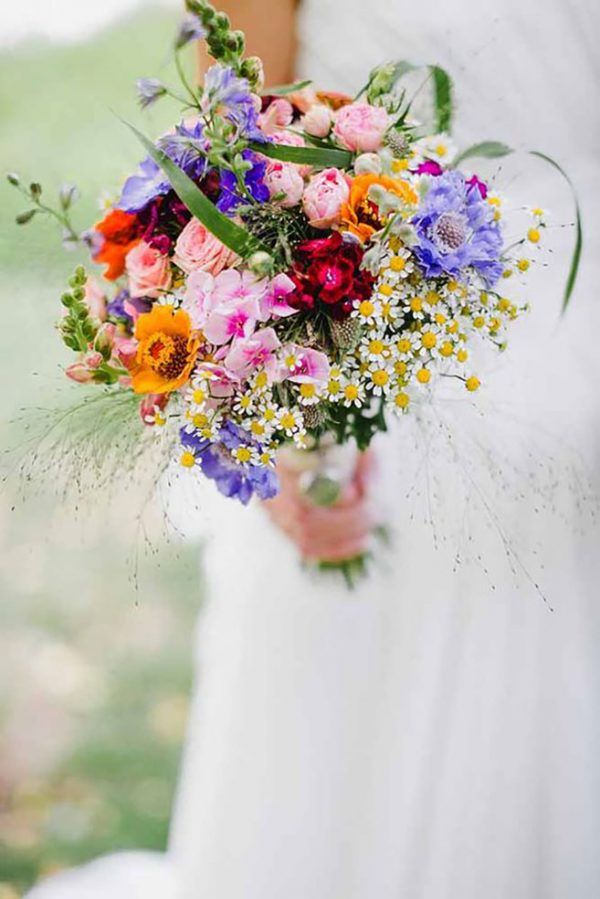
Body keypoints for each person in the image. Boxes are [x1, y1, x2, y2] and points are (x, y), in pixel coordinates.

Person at [28, 0, 600, 897]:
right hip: (385, 364)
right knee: (342, 725)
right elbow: (239, 152)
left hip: (572, 355)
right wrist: (278, 429)